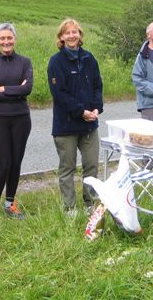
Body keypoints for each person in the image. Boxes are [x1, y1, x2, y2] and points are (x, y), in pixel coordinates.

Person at [48, 18, 103, 215]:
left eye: (75, 32)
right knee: (67, 168)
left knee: (91, 166)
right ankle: (69, 208)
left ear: (80, 35)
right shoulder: (56, 62)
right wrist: (81, 111)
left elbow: (97, 85)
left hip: (89, 125)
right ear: (61, 37)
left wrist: (96, 109)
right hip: (66, 125)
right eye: (67, 33)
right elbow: (59, 94)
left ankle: (90, 204)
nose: (71, 36)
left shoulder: (89, 58)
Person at [0, 23, 33, 220]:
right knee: (3, 163)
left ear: (15, 39)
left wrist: (3, 89)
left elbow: (27, 89)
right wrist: (15, 90)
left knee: (16, 163)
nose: (6, 41)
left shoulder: (25, 62)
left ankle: (10, 203)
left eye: (9, 38)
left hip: (21, 117)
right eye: (2, 38)